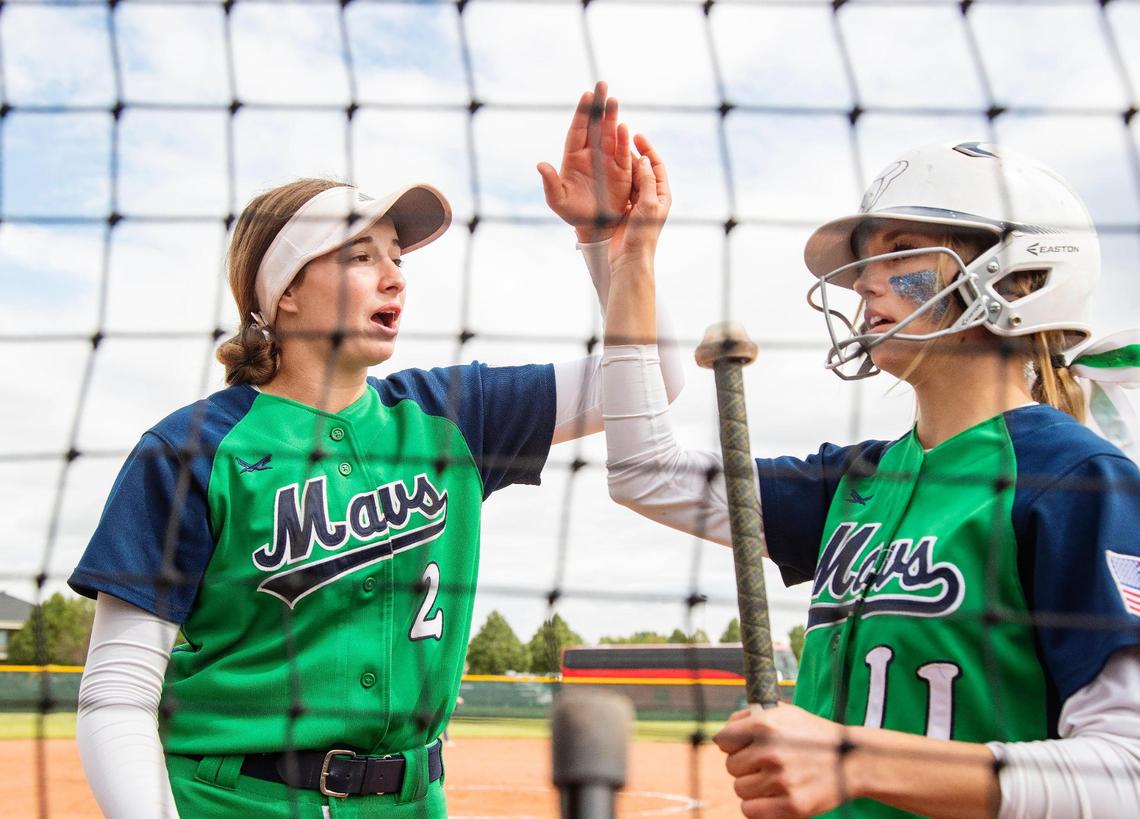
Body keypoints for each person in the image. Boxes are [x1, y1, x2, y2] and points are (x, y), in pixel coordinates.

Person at [68, 82, 683, 818]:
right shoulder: (190, 448)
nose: (394, 274)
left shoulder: (450, 415)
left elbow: (651, 383)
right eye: (361, 255)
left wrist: (611, 248)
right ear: (284, 293)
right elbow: (116, 692)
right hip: (238, 804)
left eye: (396, 255)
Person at [598, 140, 1140, 817]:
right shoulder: (853, 482)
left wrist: (854, 762)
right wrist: (627, 261)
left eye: (901, 250)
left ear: (1013, 276)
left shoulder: (1076, 479)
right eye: (867, 259)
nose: (863, 282)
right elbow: (644, 473)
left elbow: (1127, 773)